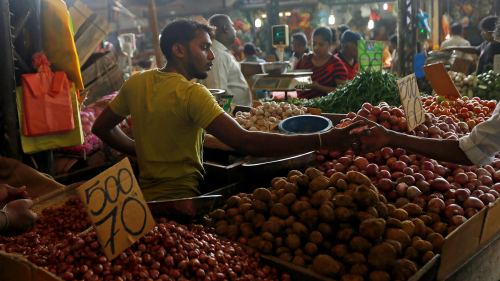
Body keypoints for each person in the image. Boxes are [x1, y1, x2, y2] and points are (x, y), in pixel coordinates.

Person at [92, 17, 366, 201]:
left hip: (145, 196)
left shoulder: (137, 81)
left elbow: (100, 127)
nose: (211, 55)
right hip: (184, 197)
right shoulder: (192, 93)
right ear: (178, 50)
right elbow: (244, 140)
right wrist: (321, 140)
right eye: (204, 48)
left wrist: (140, 150)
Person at [201, 14, 252, 107]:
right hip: (232, 117)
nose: (235, 30)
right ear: (225, 28)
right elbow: (218, 96)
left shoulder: (223, 52)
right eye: (232, 26)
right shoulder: (217, 54)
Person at [294, 27, 348, 99]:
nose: (316, 47)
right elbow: (293, 83)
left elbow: (344, 91)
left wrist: (319, 87)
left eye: (321, 44)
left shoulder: (336, 64)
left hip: (326, 109)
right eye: (314, 44)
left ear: (330, 44)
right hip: (302, 108)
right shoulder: (304, 60)